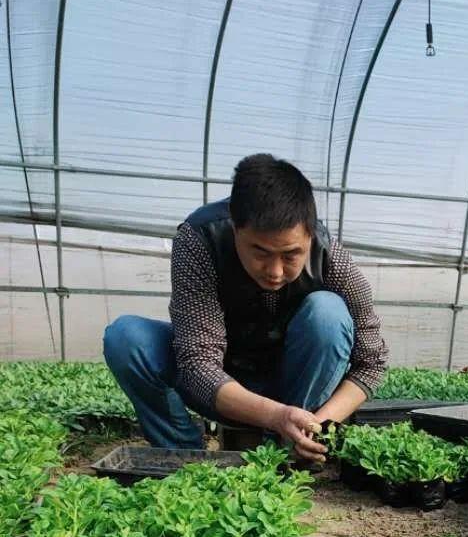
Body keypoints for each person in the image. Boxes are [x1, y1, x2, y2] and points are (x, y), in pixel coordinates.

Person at [103, 154, 388, 461]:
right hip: (223, 381)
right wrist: (275, 415)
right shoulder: (201, 240)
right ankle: (184, 458)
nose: (276, 271)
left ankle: (286, 453)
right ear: (235, 227)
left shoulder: (331, 258)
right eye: (260, 252)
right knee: (127, 338)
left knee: (328, 313)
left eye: (291, 255)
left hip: (295, 384)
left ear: (309, 234)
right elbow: (197, 363)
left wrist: (317, 424)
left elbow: (371, 363)